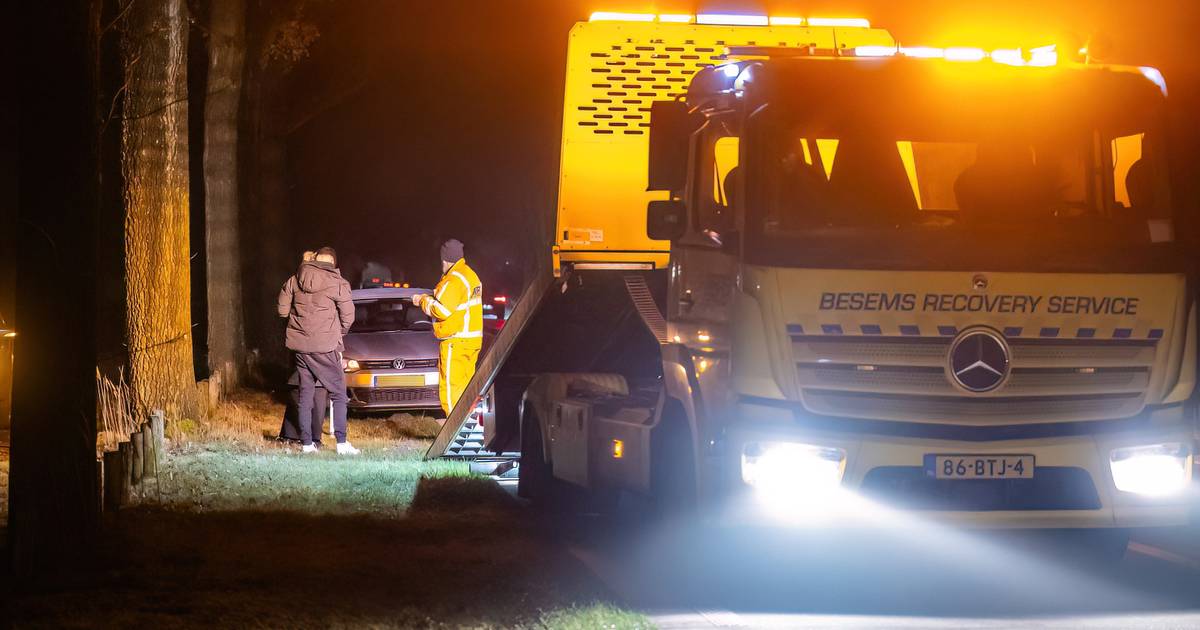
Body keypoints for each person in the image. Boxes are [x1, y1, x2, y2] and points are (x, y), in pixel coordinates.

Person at [277, 246, 359, 455]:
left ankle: (306, 444)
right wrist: (334, 334)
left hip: (301, 348)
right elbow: (348, 318)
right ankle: (341, 443)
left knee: (306, 395)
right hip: (325, 347)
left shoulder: (295, 279)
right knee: (339, 393)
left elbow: (282, 311)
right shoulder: (338, 283)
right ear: (333, 263)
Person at [412, 239, 483, 417]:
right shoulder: (470, 275)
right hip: (472, 341)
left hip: (455, 342)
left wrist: (422, 300)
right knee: (467, 389)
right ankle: (469, 424)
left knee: (450, 388)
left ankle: (453, 427)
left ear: (445, 260)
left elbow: (441, 310)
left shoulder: (453, 279)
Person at [277, 251, 330, 446]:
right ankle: (312, 436)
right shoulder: (327, 282)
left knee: (298, 383)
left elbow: (282, 311)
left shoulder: (292, 281)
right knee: (317, 386)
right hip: (320, 342)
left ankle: (292, 433)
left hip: (297, 341)